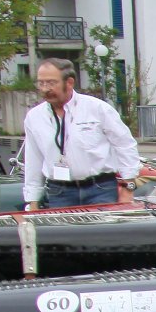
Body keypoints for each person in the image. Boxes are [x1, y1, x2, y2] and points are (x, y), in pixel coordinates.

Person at [21, 58, 140, 210]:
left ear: (69, 82)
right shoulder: (34, 117)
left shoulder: (97, 109)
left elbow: (124, 145)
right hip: (60, 192)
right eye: (41, 83)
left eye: (51, 83)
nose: (45, 89)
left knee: (102, 227)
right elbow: (33, 160)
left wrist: (128, 187)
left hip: (100, 189)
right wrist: (33, 201)